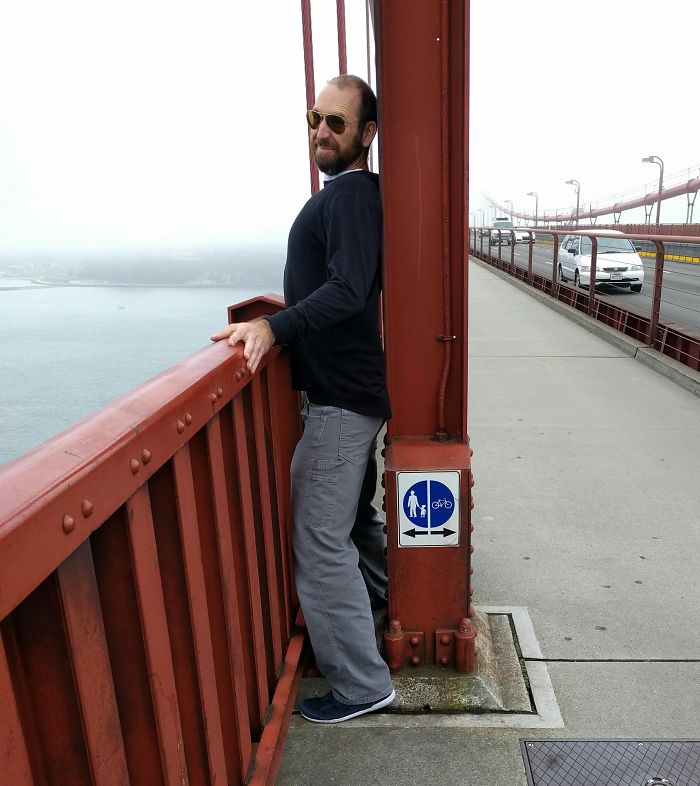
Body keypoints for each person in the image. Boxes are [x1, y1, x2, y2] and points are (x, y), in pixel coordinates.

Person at [211, 74, 395, 723]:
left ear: (366, 136)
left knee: (318, 539)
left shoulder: (349, 197)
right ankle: (383, 602)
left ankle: (361, 685)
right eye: (314, 118)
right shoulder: (355, 196)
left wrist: (272, 325)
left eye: (336, 123)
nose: (320, 131)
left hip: (341, 398)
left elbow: (347, 290)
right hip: (352, 391)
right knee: (352, 523)